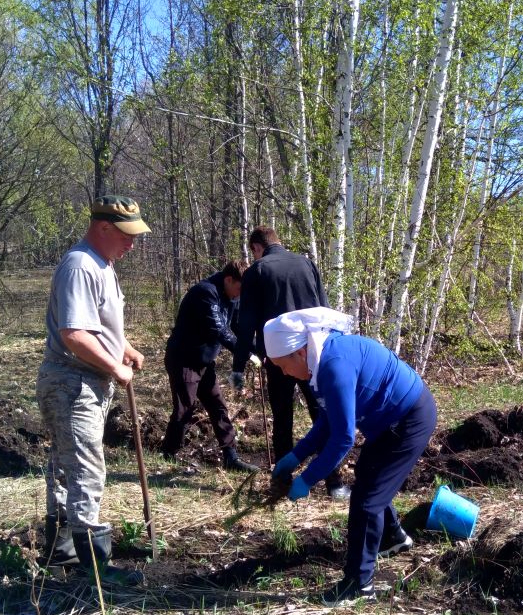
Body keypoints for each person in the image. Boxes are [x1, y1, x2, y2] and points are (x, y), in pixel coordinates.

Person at [264, 307, 437, 606]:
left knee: (367, 502)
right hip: (389, 420)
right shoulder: (321, 360)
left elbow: (344, 437)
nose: (283, 373)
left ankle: (359, 584)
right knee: (368, 477)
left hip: (409, 418)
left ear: (300, 353)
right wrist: (296, 455)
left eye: (282, 365)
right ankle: (393, 537)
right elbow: (328, 421)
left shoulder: (333, 365)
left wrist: (307, 479)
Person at [35, 195, 149, 586]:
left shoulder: (103, 265)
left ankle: (62, 553)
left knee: (69, 466)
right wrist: (114, 366)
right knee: (85, 469)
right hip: (71, 382)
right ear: (103, 228)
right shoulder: (81, 265)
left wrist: (125, 349)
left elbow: (96, 325)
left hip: (85, 382)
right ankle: (94, 572)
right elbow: (74, 334)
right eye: (126, 235)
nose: (132, 243)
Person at [232, 226, 350, 500]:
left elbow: (246, 323)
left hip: (279, 356)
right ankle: (335, 483)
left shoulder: (257, 271)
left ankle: (284, 481)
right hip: (313, 353)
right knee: (323, 414)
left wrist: (238, 365)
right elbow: (324, 309)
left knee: (283, 417)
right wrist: (333, 350)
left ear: (256, 248)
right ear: (279, 242)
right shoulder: (306, 264)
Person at [160, 260, 259, 473]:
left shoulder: (232, 296)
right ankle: (168, 455)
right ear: (229, 280)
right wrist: (244, 354)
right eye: (239, 289)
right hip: (184, 359)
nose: (239, 295)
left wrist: (260, 349)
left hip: (205, 361)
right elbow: (219, 330)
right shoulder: (205, 293)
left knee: (218, 406)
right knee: (185, 407)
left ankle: (230, 457)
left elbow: (238, 327)